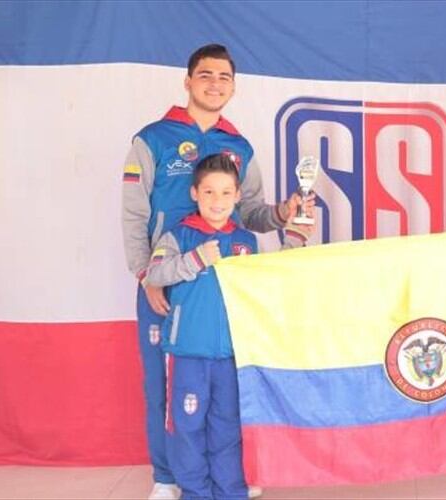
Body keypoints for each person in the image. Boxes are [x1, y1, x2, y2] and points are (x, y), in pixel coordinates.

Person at [122, 43, 311, 499]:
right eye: (205, 75)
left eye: (224, 77)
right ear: (188, 81)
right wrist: (146, 275)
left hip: (220, 296)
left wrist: (283, 214)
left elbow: (250, 216)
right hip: (164, 283)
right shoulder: (152, 139)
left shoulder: (239, 146)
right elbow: (133, 214)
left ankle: (229, 476)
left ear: (233, 85)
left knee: (225, 391)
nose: (214, 83)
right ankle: (167, 479)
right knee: (164, 388)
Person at [145, 154, 289, 499]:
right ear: (194, 193)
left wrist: (295, 236)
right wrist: (195, 260)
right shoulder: (177, 236)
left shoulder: (245, 241)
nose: (217, 201)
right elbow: (155, 274)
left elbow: (269, 281)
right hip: (187, 354)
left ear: (239, 196)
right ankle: (194, 492)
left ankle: (230, 492)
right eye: (209, 192)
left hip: (231, 357)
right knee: (188, 427)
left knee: (227, 428)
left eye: (226, 193)